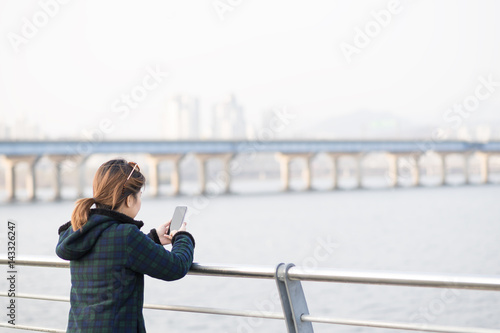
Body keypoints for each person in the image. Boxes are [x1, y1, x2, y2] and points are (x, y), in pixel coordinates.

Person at [56, 159, 195, 332]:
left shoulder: (81, 230)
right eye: (139, 196)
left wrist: (153, 238)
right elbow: (176, 266)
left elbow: (111, 253)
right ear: (129, 199)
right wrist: (182, 237)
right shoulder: (126, 235)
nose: (139, 201)